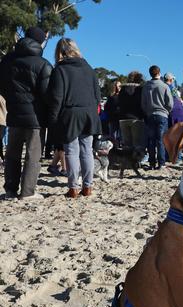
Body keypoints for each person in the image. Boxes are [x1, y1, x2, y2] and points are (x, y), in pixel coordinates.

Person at [0, 26, 52, 200]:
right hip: (35, 117)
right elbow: (46, 93)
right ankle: (28, 192)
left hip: (13, 113)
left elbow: (2, 87)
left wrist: (13, 100)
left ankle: (10, 191)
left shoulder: (7, 61)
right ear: (40, 42)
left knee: (12, 154)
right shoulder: (43, 64)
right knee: (33, 155)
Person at [46, 38, 101, 198]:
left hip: (70, 113)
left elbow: (57, 97)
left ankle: (73, 188)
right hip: (89, 112)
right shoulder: (89, 68)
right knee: (87, 152)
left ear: (60, 52)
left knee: (71, 151)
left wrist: (53, 119)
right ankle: (88, 187)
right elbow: (98, 95)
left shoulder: (60, 70)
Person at [141, 65, 173, 170]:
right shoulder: (164, 86)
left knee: (151, 140)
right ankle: (161, 163)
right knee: (161, 140)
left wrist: (148, 111)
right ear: (159, 73)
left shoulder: (146, 86)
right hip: (162, 114)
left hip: (150, 115)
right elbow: (170, 103)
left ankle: (151, 163)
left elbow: (143, 103)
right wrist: (166, 111)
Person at [118, 71, 145, 149]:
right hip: (136, 118)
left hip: (123, 118)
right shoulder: (140, 90)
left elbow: (119, 102)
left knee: (126, 145)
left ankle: (127, 160)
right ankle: (135, 161)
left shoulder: (123, 90)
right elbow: (143, 103)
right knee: (137, 144)